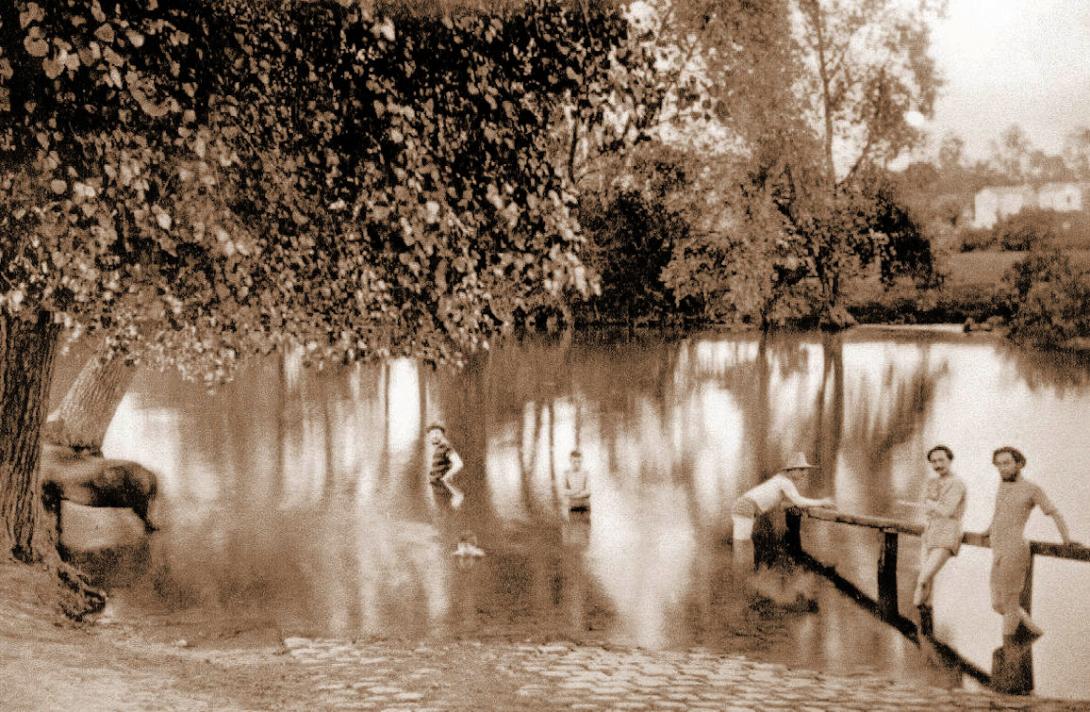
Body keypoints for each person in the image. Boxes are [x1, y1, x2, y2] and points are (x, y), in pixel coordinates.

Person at [984, 446, 1079, 640]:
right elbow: (999, 512)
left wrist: (1066, 539)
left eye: (1007, 463)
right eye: (998, 464)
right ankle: (1035, 633)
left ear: (1018, 464)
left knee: (1010, 604)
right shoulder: (1003, 485)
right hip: (998, 549)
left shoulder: (1032, 489)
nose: (1002, 468)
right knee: (997, 604)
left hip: (1015, 550)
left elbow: (1054, 513)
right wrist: (988, 530)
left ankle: (1009, 648)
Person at [731, 452, 834, 544]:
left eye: (805, 470)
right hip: (746, 508)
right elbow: (799, 501)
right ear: (791, 470)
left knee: (744, 544)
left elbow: (779, 503)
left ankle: (745, 565)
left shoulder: (779, 479)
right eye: (801, 469)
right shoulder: (785, 482)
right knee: (743, 545)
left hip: (743, 506)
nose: (804, 473)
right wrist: (822, 502)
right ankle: (742, 565)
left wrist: (790, 505)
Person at [912, 445, 967, 613]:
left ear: (950, 460)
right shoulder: (933, 482)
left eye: (941, 460)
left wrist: (931, 504)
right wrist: (932, 506)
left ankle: (915, 609)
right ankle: (926, 622)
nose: (937, 464)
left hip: (947, 535)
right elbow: (928, 508)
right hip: (930, 533)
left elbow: (947, 510)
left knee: (923, 578)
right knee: (927, 581)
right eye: (933, 461)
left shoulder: (957, 483)